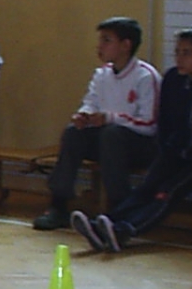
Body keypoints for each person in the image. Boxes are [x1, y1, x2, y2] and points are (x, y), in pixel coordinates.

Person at [75, 28, 192, 254]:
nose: (179, 59)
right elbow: (164, 122)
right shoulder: (173, 79)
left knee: (167, 192)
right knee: (146, 188)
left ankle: (126, 230)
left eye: (187, 53)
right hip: (177, 150)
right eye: (177, 52)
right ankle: (104, 224)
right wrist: (166, 150)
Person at [31, 16, 160, 230]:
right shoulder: (102, 74)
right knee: (73, 133)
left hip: (139, 145)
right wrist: (84, 115)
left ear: (126, 45)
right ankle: (58, 205)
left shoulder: (146, 76)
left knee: (112, 134)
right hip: (107, 141)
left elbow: (150, 125)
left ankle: (119, 210)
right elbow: (91, 102)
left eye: (107, 40)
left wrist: (109, 118)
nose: (99, 46)